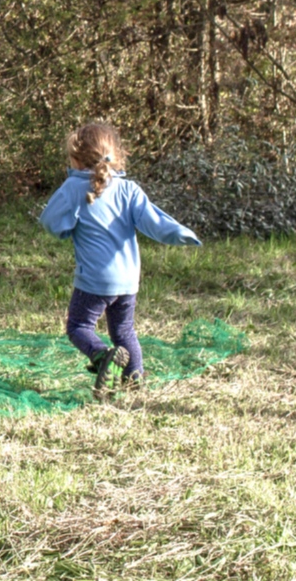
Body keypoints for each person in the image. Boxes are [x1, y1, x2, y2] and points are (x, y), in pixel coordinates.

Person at [40, 121, 201, 399]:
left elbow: (52, 223)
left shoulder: (73, 189)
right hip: (128, 280)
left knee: (78, 326)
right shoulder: (129, 190)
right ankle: (134, 378)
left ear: (77, 159)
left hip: (94, 280)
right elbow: (156, 223)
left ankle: (103, 357)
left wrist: (67, 228)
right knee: (124, 330)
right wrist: (180, 233)